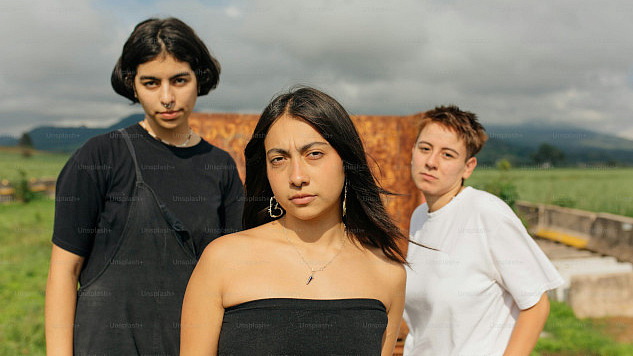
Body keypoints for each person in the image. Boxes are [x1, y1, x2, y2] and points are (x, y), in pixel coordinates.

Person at [45, 17, 244, 356]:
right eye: (151, 83)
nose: (167, 97)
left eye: (179, 80)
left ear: (200, 79)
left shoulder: (220, 167)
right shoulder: (99, 157)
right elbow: (64, 271)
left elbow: (233, 276)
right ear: (132, 84)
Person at [180, 86, 407, 356]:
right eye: (279, 159)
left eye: (314, 154)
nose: (297, 177)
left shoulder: (387, 273)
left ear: (346, 161)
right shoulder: (223, 260)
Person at [403, 105, 564, 355]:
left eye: (447, 155)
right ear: (412, 152)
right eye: (425, 149)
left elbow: (536, 304)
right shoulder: (420, 217)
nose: (431, 162)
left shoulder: (485, 212)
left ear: (468, 167)